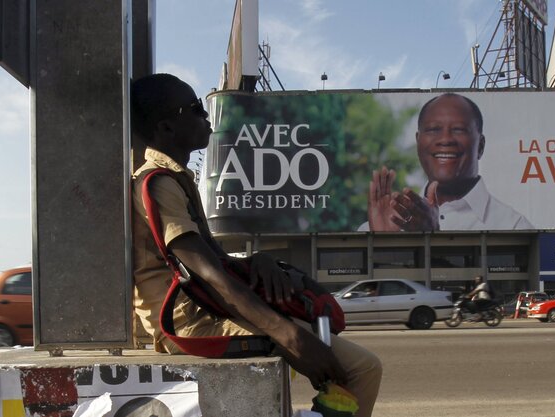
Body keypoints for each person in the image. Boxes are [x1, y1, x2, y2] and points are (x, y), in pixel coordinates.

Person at [130, 74, 381, 416]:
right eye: (195, 109)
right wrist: (288, 334)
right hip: (192, 323)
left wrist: (255, 260)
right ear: (167, 128)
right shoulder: (157, 184)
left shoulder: (176, 179)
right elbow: (205, 273)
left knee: (350, 364)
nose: (206, 118)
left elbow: (213, 261)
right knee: (360, 369)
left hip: (208, 310)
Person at [359, 93, 534, 231]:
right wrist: (384, 245)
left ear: (480, 146)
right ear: (418, 143)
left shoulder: (514, 227)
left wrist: (432, 240)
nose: (445, 139)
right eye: (434, 129)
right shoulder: (379, 228)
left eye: (458, 130)